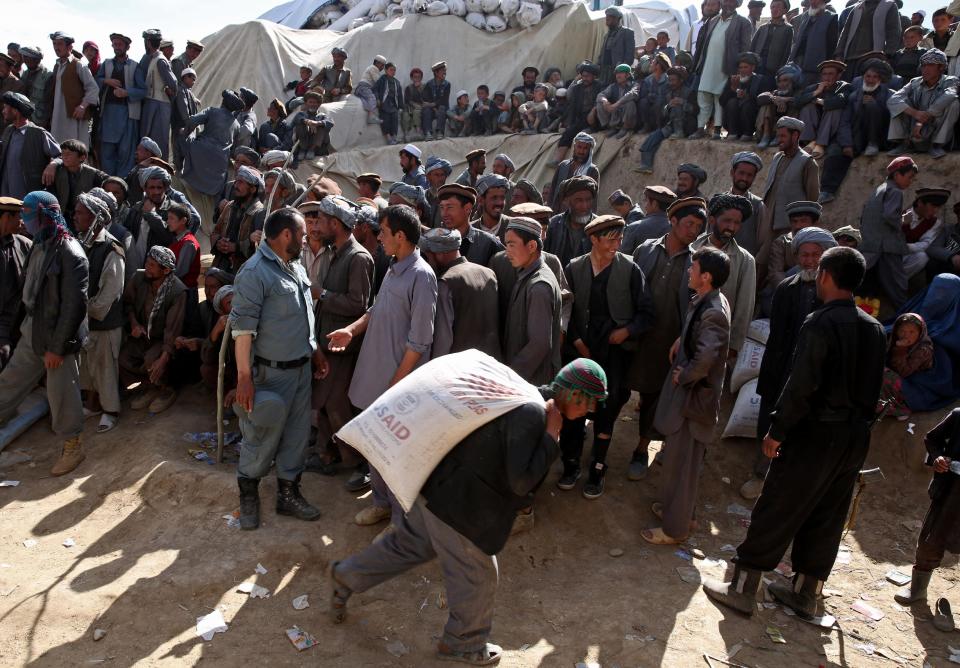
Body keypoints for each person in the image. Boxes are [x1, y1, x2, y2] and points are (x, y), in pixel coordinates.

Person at [329, 358, 608, 666]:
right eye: (591, 403)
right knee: (479, 576)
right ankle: (463, 643)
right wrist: (551, 438)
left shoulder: (522, 394)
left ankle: (346, 576)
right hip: (458, 506)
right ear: (574, 394)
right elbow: (520, 482)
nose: (590, 411)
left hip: (435, 488)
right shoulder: (533, 414)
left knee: (409, 545)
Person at [704, 246, 886, 618]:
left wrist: (777, 430)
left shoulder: (819, 323)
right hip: (854, 438)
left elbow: (800, 385)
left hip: (814, 434)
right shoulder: (874, 328)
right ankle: (806, 593)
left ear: (826, 277)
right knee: (828, 512)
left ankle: (743, 588)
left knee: (779, 504)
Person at [329, 205, 437, 530]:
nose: (379, 236)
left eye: (384, 231)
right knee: (376, 447)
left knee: (397, 456)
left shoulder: (422, 276)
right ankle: (380, 504)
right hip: (378, 376)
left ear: (400, 237)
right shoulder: (394, 267)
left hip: (397, 385)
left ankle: (400, 526)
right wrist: (352, 329)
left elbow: (420, 342)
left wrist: (396, 386)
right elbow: (377, 308)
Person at [229, 207, 322, 530]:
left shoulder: (294, 266)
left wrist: (316, 351)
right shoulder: (255, 273)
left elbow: (304, 315)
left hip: (301, 369)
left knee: (296, 436)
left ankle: (288, 494)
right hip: (270, 374)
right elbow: (242, 331)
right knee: (260, 435)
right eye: (302, 234)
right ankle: (249, 495)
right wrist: (243, 378)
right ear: (286, 235)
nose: (307, 238)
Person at [559, 215, 653, 498]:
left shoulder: (631, 269)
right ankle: (570, 464)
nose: (617, 244)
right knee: (574, 409)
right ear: (594, 240)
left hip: (614, 354)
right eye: (610, 239)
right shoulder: (574, 269)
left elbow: (646, 313)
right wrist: (577, 342)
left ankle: (598, 467)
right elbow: (565, 311)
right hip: (580, 351)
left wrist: (626, 331)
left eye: (619, 239)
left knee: (607, 409)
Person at [642, 246, 731, 544]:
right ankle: (677, 512)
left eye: (693, 269)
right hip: (691, 399)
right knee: (681, 460)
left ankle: (675, 529)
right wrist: (682, 339)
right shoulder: (709, 301)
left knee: (683, 464)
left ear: (705, 276)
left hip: (695, 401)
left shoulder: (714, 311)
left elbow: (706, 359)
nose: (689, 273)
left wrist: (686, 373)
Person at [744, 226, 836, 499]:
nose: (808, 261)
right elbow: (777, 338)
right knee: (770, 423)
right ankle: (760, 475)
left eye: (815, 255)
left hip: (813, 374)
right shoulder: (787, 287)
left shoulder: (832, 293)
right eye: (804, 255)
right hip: (781, 369)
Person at [0, 192, 88, 475]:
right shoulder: (39, 244)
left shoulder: (71, 252)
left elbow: (74, 307)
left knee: (62, 394)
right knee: (10, 382)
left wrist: (57, 347)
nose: (23, 219)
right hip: (34, 330)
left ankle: (72, 446)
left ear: (45, 215)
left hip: (58, 339)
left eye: (28, 213)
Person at [626, 197, 706, 481]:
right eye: (688, 224)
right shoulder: (645, 250)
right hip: (634, 335)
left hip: (666, 341)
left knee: (654, 398)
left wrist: (682, 338)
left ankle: (641, 449)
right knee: (618, 389)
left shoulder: (696, 262)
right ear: (672, 221)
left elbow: (695, 307)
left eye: (698, 227)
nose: (693, 231)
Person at [311, 196, 374, 489]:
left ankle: (359, 463)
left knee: (336, 404)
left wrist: (321, 294)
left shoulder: (358, 257)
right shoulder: (336, 252)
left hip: (344, 347)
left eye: (321, 221)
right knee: (323, 403)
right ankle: (327, 455)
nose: (317, 226)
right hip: (328, 342)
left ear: (335, 224)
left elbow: (357, 304)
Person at [893, 407, 960, 622]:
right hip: (951, 492)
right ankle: (917, 590)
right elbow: (932, 439)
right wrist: (938, 458)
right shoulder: (959, 416)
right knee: (930, 540)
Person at [72, 193, 124, 434]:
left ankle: (111, 411)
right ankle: (92, 404)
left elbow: (110, 291)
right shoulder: (83, 243)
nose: (75, 217)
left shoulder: (111, 248)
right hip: (88, 320)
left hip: (104, 320)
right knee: (89, 367)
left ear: (95, 218)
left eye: (81, 213)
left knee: (105, 367)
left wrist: (87, 309)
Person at [757, 116, 820, 285]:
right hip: (768, 225)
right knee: (759, 267)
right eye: (779, 136)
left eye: (783, 136)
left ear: (795, 136)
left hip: (789, 230)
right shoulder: (778, 157)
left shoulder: (807, 162)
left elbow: (812, 201)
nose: (780, 140)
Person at [691, 194, 756, 355]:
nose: (731, 227)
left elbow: (744, 307)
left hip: (714, 341)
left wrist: (733, 346)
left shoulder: (745, 260)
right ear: (712, 220)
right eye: (727, 221)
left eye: (736, 223)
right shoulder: (692, 248)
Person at [422, 227, 501, 359]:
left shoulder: (446, 282)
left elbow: (443, 340)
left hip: (459, 368)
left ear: (440, 254)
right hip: (489, 364)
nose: (427, 262)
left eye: (428, 256)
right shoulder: (488, 273)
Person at [501, 217, 563, 384]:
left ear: (532, 246)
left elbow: (539, 344)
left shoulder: (539, 286)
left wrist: (511, 377)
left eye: (512, 244)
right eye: (506, 245)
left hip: (533, 381)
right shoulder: (527, 275)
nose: (507, 251)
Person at [690, 0, 754, 139]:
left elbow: (745, 48)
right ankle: (701, 128)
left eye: (731, 1)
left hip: (726, 67)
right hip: (707, 65)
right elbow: (702, 46)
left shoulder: (743, 22)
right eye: (725, 1)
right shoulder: (713, 21)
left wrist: (738, 70)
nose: (727, 4)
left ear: (737, 4)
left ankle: (717, 130)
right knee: (703, 95)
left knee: (719, 98)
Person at [861, 156, 918, 309]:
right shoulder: (895, 191)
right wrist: (903, 221)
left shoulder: (880, 189)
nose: (910, 181)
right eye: (909, 177)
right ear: (897, 175)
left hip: (873, 247)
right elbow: (890, 216)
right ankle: (906, 316)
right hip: (887, 247)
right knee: (898, 286)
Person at [887, 49, 959, 159]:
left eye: (930, 65)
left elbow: (950, 95)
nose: (925, 69)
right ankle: (903, 144)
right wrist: (915, 114)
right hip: (913, 130)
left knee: (953, 103)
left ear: (941, 68)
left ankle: (936, 145)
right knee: (899, 102)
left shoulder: (951, 80)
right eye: (924, 65)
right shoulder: (914, 82)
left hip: (933, 126)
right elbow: (893, 100)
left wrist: (925, 116)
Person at [96, 33, 145, 178]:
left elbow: (143, 90)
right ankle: (108, 184)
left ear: (127, 47)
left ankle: (122, 186)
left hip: (127, 115)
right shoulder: (107, 64)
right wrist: (107, 81)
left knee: (126, 153)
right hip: (108, 114)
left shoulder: (135, 66)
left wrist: (126, 92)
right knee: (107, 152)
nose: (117, 47)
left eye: (120, 44)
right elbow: (95, 81)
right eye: (114, 44)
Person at [876, 312, 935, 419]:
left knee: (883, 375)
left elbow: (903, 372)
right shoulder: (892, 339)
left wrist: (901, 349)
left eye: (912, 332)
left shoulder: (923, 350)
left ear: (920, 333)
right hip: (900, 379)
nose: (906, 335)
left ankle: (900, 409)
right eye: (902, 331)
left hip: (916, 387)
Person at [47, 31, 98, 146]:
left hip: (74, 117)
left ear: (69, 47)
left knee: (74, 147)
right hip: (58, 116)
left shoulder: (79, 65)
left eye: (59, 44)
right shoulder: (57, 65)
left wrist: (82, 106)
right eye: (54, 44)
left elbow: (93, 88)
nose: (56, 48)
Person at [764, 200, 824, 296]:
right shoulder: (782, 242)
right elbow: (776, 273)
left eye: (803, 221)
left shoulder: (824, 242)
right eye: (794, 221)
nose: (798, 225)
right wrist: (791, 293)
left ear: (814, 223)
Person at [210, 166, 265, 273]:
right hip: (221, 263)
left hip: (244, 270)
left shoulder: (260, 212)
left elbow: (259, 247)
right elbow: (216, 231)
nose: (235, 185)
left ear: (253, 189)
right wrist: (218, 243)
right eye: (236, 182)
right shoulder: (229, 206)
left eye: (240, 183)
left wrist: (237, 247)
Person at [795, 59, 851, 158]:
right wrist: (816, 92)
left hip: (831, 130)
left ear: (838, 75)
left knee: (834, 109)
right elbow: (797, 102)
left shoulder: (844, 87)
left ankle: (819, 144)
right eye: (824, 74)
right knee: (807, 107)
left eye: (830, 74)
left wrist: (821, 102)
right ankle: (810, 142)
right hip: (816, 124)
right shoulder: (814, 87)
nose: (827, 77)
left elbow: (841, 100)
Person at [549, 63, 602, 167]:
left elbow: (601, 100)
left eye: (587, 76)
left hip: (595, 116)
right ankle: (557, 160)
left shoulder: (600, 86)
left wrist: (594, 110)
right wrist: (569, 123)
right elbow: (572, 104)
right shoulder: (577, 88)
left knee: (582, 133)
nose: (585, 78)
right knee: (568, 133)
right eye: (583, 76)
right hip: (580, 118)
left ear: (594, 76)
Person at [835, 0, 902, 80]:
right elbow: (845, 33)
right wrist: (839, 54)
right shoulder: (856, 7)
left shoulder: (889, 6)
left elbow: (893, 33)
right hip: (849, 59)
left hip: (872, 58)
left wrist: (888, 55)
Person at [0, 197, 30, 372]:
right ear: (5, 217)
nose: (22, 222)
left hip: (15, 322)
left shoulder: (23, 244)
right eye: (18, 217)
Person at [138, 30, 178, 161]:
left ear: (148, 43)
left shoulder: (160, 60)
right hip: (152, 103)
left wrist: (168, 90)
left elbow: (173, 83)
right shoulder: (154, 58)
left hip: (159, 105)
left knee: (158, 140)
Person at [47, 139, 106, 226]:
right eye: (63, 154)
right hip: (61, 216)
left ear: (82, 157)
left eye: (69, 154)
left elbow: (109, 182)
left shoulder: (94, 174)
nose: (64, 157)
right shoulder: (57, 172)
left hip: (84, 219)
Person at [545, 176, 599, 267]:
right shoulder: (553, 225)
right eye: (579, 200)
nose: (584, 206)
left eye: (588, 200)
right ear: (566, 201)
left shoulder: (599, 227)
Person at [720, 52, 770, 141]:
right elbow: (722, 101)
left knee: (747, 105)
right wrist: (732, 89)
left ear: (753, 67)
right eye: (740, 67)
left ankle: (747, 134)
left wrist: (747, 96)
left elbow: (762, 100)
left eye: (745, 67)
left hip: (751, 117)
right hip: (733, 121)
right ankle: (733, 133)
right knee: (732, 102)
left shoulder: (760, 80)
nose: (742, 70)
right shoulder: (733, 79)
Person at [789, 0, 840, 86]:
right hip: (798, 65)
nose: (813, 2)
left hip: (817, 68)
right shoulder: (805, 17)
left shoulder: (831, 18)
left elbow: (831, 46)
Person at [903, 187, 950, 278]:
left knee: (923, 257)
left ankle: (896, 282)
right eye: (933, 206)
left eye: (938, 207)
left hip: (908, 255)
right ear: (920, 203)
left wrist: (907, 247)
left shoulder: (935, 223)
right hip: (891, 254)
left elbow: (926, 244)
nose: (935, 211)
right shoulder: (902, 214)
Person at [727, 151, 766, 256]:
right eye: (741, 173)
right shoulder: (719, 201)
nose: (744, 178)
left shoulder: (758, 205)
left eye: (749, 175)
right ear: (732, 172)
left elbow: (762, 243)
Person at [548, 133, 600, 212]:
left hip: (579, 215)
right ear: (574, 147)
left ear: (589, 151)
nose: (581, 151)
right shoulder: (563, 166)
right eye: (579, 147)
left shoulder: (592, 170)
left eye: (585, 148)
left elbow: (593, 199)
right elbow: (552, 191)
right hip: (557, 214)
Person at [621, 185, 677, 254]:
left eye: (647, 201)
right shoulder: (677, 229)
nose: (645, 206)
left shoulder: (634, 227)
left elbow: (621, 258)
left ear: (654, 204)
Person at [290, 91, 334, 165]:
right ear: (306, 103)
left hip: (318, 147)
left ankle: (312, 149)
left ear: (319, 104)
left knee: (322, 126)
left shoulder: (322, 115)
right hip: (303, 143)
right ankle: (303, 149)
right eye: (310, 102)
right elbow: (297, 119)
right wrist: (308, 122)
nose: (312, 104)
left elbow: (330, 122)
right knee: (300, 124)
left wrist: (317, 123)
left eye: (315, 102)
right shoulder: (301, 114)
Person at [752, 0, 795, 75]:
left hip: (773, 69)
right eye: (772, 7)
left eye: (778, 6)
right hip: (756, 66)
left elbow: (787, 53)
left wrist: (781, 70)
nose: (774, 9)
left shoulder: (788, 29)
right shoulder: (763, 27)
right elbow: (752, 47)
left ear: (785, 10)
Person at [595, 64, 637, 138]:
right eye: (617, 73)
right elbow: (600, 95)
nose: (618, 75)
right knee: (600, 103)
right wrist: (604, 100)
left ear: (627, 75)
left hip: (627, 114)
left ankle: (625, 128)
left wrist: (616, 104)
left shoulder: (635, 85)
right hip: (615, 113)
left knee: (630, 103)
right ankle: (611, 127)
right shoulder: (613, 86)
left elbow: (632, 94)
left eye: (620, 73)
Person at [171, 68, 201, 170]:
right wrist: (189, 125)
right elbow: (184, 112)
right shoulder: (181, 91)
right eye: (192, 79)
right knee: (180, 161)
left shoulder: (187, 92)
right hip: (182, 130)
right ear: (185, 77)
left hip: (187, 130)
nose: (194, 82)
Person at [16, 46, 52, 129]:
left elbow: (50, 103)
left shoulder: (48, 76)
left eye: (28, 58)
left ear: (36, 59)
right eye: (24, 57)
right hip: (25, 118)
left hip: (40, 120)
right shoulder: (25, 74)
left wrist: (46, 122)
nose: (25, 60)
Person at [599, 7, 637, 85]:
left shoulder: (627, 32)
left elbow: (629, 57)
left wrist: (621, 71)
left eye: (611, 17)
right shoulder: (606, 35)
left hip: (618, 73)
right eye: (607, 17)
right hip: (604, 73)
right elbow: (602, 54)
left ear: (618, 19)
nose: (607, 19)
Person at [473, 175, 513, 243]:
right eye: (494, 198)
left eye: (502, 198)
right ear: (481, 200)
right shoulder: (471, 231)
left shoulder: (514, 228)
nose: (499, 203)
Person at [374, 62, 403, 145]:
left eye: (394, 70)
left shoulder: (396, 82)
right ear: (386, 70)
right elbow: (375, 89)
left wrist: (401, 106)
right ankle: (389, 139)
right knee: (385, 120)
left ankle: (394, 137)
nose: (393, 72)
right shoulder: (382, 80)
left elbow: (400, 95)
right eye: (391, 70)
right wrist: (377, 99)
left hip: (393, 105)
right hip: (384, 104)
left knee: (395, 119)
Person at [422, 61, 451, 140]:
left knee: (442, 108)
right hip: (432, 109)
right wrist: (433, 107)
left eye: (445, 71)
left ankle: (440, 132)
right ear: (436, 73)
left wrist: (432, 105)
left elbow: (444, 100)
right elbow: (426, 99)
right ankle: (428, 133)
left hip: (442, 108)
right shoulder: (429, 84)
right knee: (426, 110)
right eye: (442, 71)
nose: (444, 73)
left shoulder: (447, 84)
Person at [355, 55, 387, 126]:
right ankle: (370, 117)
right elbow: (377, 81)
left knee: (367, 100)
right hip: (364, 87)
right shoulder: (374, 68)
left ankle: (368, 111)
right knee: (372, 99)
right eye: (382, 66)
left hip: (362, 88)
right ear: (378, 63)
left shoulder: (371, 68)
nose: (382, 68)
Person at [402, 68, 425, 141]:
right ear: (412, 78)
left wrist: (419, 89)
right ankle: (406, 134)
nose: (417, 79)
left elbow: (426, 98)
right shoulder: (409, 88)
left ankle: (418, 132)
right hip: (411, 107)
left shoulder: (424, 87)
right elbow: (407, 100)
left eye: (419, 77)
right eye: (415, 77)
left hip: (422, 107)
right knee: (405, 114)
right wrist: (414, 105)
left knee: (417, 111)